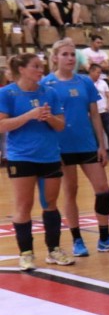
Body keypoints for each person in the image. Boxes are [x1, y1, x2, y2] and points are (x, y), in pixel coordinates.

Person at [43, 39, 109, 256]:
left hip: (87, 144)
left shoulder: (85, 82)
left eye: (73, 54)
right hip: (62, 147)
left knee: (103, 190)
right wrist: (51, 149)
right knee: (70, 191)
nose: (70, 58)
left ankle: (104, 238)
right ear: (55, 57)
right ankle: (77, 240)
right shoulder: (46, 83)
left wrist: (102, 145)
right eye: (65, 54)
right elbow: (46, 120)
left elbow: (95, 115)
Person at [0, 52, 72, 270]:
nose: (41, 70)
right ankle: (26, 253)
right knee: (24, 205)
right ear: (21, 69)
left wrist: (49, 117)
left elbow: (61, 126)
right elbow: (2, 125)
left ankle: (54, 250)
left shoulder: (50, 92)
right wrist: (30, 115)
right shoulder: (7, 93)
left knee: (50, 203)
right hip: (21, 156)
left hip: (49, 155)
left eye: (41, 66)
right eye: (36, 66)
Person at [87, 62, 109, 159]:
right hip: (93, 113)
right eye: (97, 72)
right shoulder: (86, 83)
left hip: (104, 111)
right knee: (95, 134)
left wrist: (107, 107)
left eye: (100, 72)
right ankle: (98, 154)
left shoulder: (103, 83)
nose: (99, 75)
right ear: (91, 72)